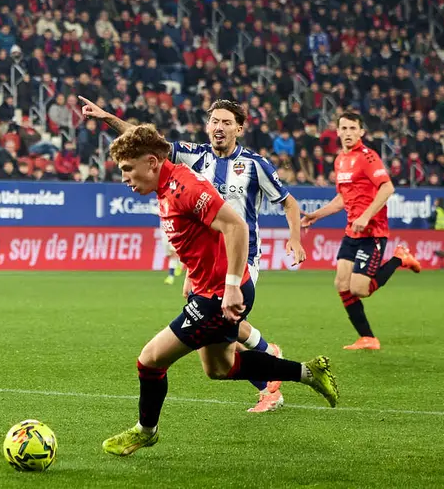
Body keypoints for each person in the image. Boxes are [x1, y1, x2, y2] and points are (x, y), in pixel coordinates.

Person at [100, 125, 338, 457]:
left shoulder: (184, 186)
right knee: (219, 369)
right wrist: (192, 275)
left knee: (149, 361)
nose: (124, 177)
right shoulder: (166, 185)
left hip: (219, 294)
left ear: (152, 162)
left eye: (128, 169)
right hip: (206, 288)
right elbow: (201, 239)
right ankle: (308, 372)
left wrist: (230, 288)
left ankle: (146, 431)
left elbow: (235, 226)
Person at [82, 97, 303, 412]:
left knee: (221, 316)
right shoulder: (195, 156)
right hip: (206, 259)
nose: (219, 127)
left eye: (227, 122)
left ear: (239, 128)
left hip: (243, 256)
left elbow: (288, 202)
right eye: (215, 121)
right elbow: (145, 145)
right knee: (218, 326)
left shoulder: (255, 164)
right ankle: (268, 357)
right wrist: (108, 118)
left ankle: (268, 370)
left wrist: (295, 238)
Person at [303, 112, 421, 350]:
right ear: (337, 132)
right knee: (341, 284)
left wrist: (366, 216)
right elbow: (341, 198)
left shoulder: (368, 157)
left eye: (352, 128)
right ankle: (368, 338)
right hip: (352, 231)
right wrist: (317, 214)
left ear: (361, 132)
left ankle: (399, 257)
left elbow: (387, 188)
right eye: (343, 128)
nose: (347, 133)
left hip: (372, 231)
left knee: (360, 289)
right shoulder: (340, 160)